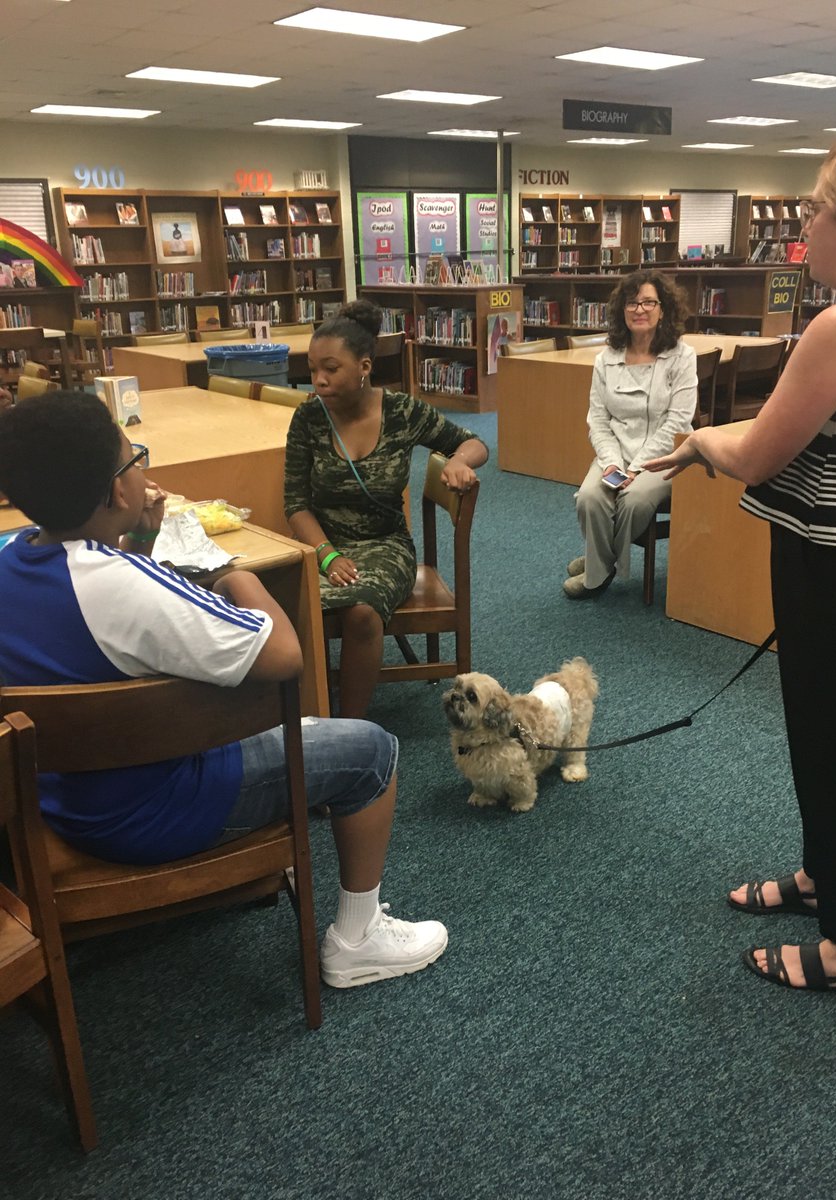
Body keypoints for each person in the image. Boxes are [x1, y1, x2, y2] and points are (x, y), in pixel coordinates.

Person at [0, 391, 448, 990]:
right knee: (371, 750)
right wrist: (226, 565)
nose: (142, 468)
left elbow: (100, 604)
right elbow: (285, 654)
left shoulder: (10, 558)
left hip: (52, 804)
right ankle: (357, 940)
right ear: (116, 490)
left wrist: (135, 545)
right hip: (155, 812)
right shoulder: (123, 584)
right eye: (134, 457)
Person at [645, 124, 836, 994]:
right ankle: (828, 878)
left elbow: (756, 453)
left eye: (814, 210)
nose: (804, 227)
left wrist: (697, 439)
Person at [284, 299, 488, 718]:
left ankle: (347, 729)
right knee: (286, 601)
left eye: (331, 368)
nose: (318, 380)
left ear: (364, 366)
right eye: (312, 369)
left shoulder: (401, 412)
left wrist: (458, 460)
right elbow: (295, 503)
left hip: (385, 543)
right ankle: (304, 714)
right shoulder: (307, 417)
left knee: (360, 612)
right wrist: (325, 553)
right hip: (323, 543)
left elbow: (474, 442)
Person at [563, 269, 697, 599]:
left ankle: (596, 571)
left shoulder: (682, 357)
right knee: (589, 497)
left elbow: (678, 423)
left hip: (665, 458)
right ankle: (601, 560)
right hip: (615, 454)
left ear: (663, 308)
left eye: (648, 302)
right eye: (632, 303)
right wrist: (612, 464)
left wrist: (637, 468)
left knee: (634, 501)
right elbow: (597, 419)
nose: (639, 309)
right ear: (622, 310)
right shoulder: (606, 359)